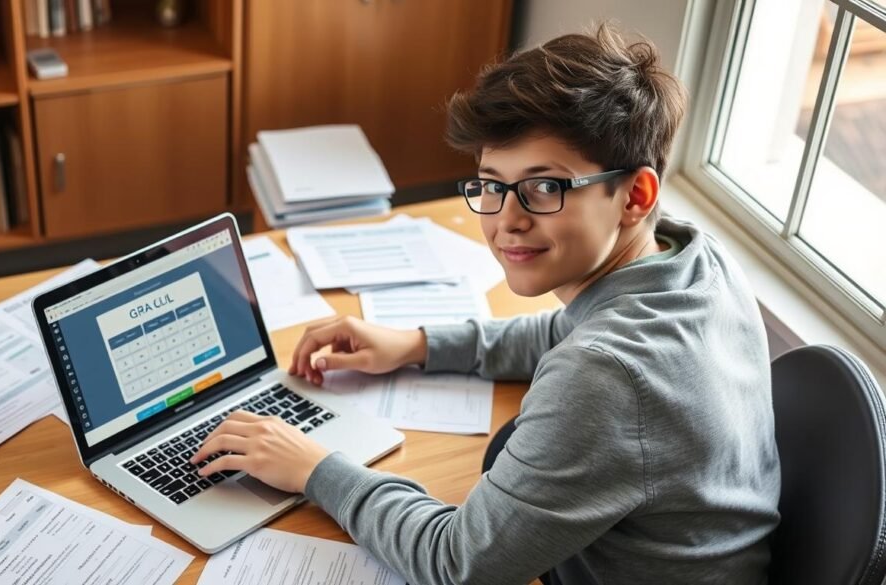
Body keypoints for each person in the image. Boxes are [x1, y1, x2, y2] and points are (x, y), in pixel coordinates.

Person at [190, 23, 781, 585]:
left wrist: (315, 469)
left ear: (635, 195)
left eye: (545, 187)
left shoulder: (606, 376)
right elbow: (566, 332)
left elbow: (456, 565)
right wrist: (417, 345)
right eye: (492, 184)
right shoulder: (694, 259)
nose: (506, 220)